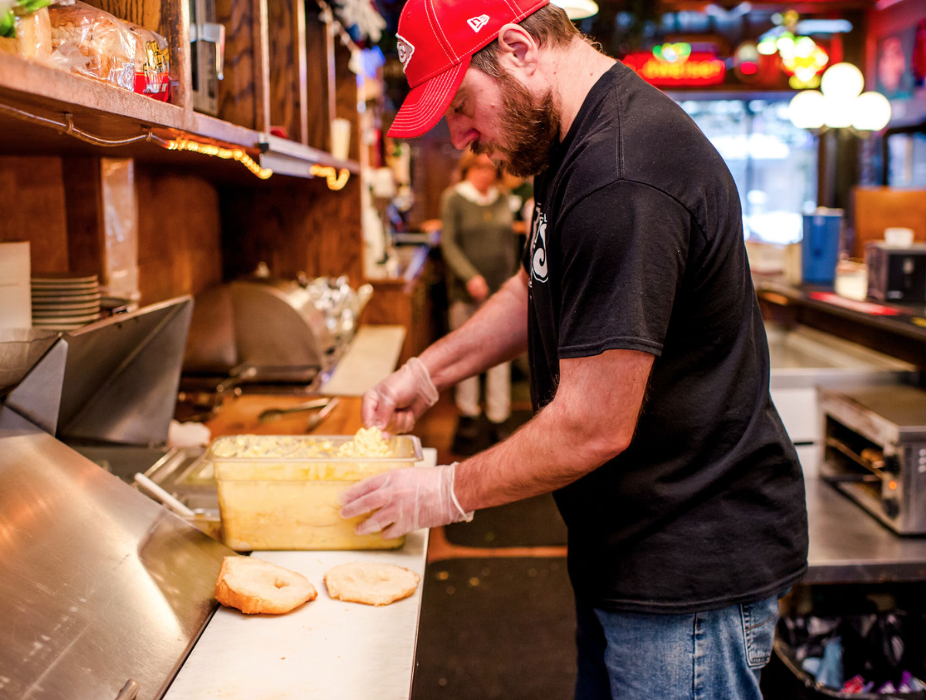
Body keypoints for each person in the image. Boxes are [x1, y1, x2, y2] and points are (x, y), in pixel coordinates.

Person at [340, 1, 809, 699]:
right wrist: (428, 371)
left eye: (463, 103)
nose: (461, 134)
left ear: (520, 48)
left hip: (685, 569)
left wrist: (443, 492)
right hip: (627, 545)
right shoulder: (568, 144)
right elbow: (539, 281)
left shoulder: (621, 174)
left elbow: (593, 423)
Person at [439, 150, 519, 454]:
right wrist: (469, 277)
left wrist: (513, 281)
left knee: (499, 356)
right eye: (481, 167)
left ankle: (499, 417)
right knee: (467, 356)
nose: (486, 173)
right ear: (468, 168)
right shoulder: (454, 198)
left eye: (492, 168)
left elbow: (509, 244)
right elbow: (449, 243)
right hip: (466, 293)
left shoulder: (501, 199)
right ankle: (468, 416)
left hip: (501, 293)